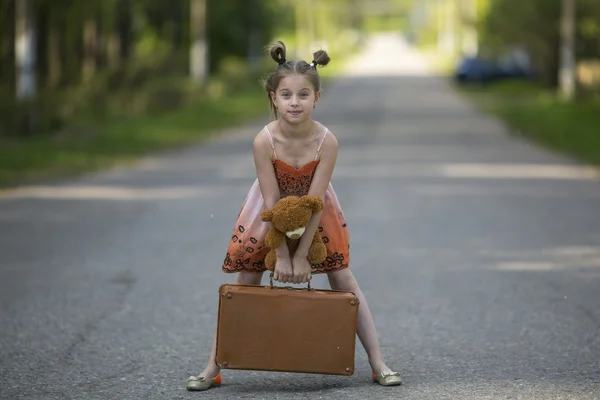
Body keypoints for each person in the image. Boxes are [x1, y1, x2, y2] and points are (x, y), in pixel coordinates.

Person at [186, 41, 402, 391]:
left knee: (342, 277)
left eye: (303, 95)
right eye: (286, 95)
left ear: (316, 98)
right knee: (246, 280)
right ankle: (213, 366)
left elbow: (315, 202)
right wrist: (283, 255)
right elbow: (272, 203)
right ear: (273, 97)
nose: (294, 102)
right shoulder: (264, 141)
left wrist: (302, 255)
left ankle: (379, 362)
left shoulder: (326, 142)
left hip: (319, 212)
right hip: (267, 214)